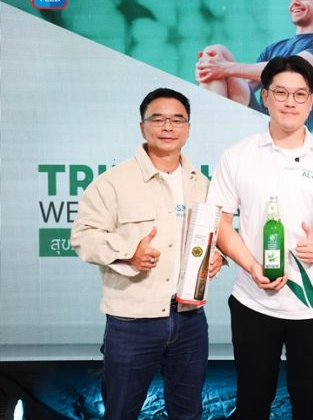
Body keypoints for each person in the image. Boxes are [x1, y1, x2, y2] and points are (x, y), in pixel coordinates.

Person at [206, 56, 313, 420]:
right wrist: (252, 266)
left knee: (309, 405)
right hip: (254, 302)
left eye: (300, 94)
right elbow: (221, 223)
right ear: (266, 96)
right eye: (281, 93)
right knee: (252, 403)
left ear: (311, 101)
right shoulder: (237, 156)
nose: (290, 102)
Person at [71, 88, 224, 419]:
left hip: (190, 318)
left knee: (188, 413)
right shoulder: (113, 182)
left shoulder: (203, 184)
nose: (168, 127)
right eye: (158, 119)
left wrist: (219, 256)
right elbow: (83, 237)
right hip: (132, 322)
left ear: (188, 128)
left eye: (177, 120)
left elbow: (217, 235)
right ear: (142, 127)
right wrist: (129, 253)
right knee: (121, 412)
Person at [195, 0, 313, 131]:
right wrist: (209, 69)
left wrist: (222, 68)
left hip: (289, 130)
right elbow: (245, 87)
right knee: (214, 51)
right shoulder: (273, 48)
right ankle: (210, 131)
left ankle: (210, 131)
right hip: (259, 122)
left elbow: (291, 70)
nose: (295, 2)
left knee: (218, 63)